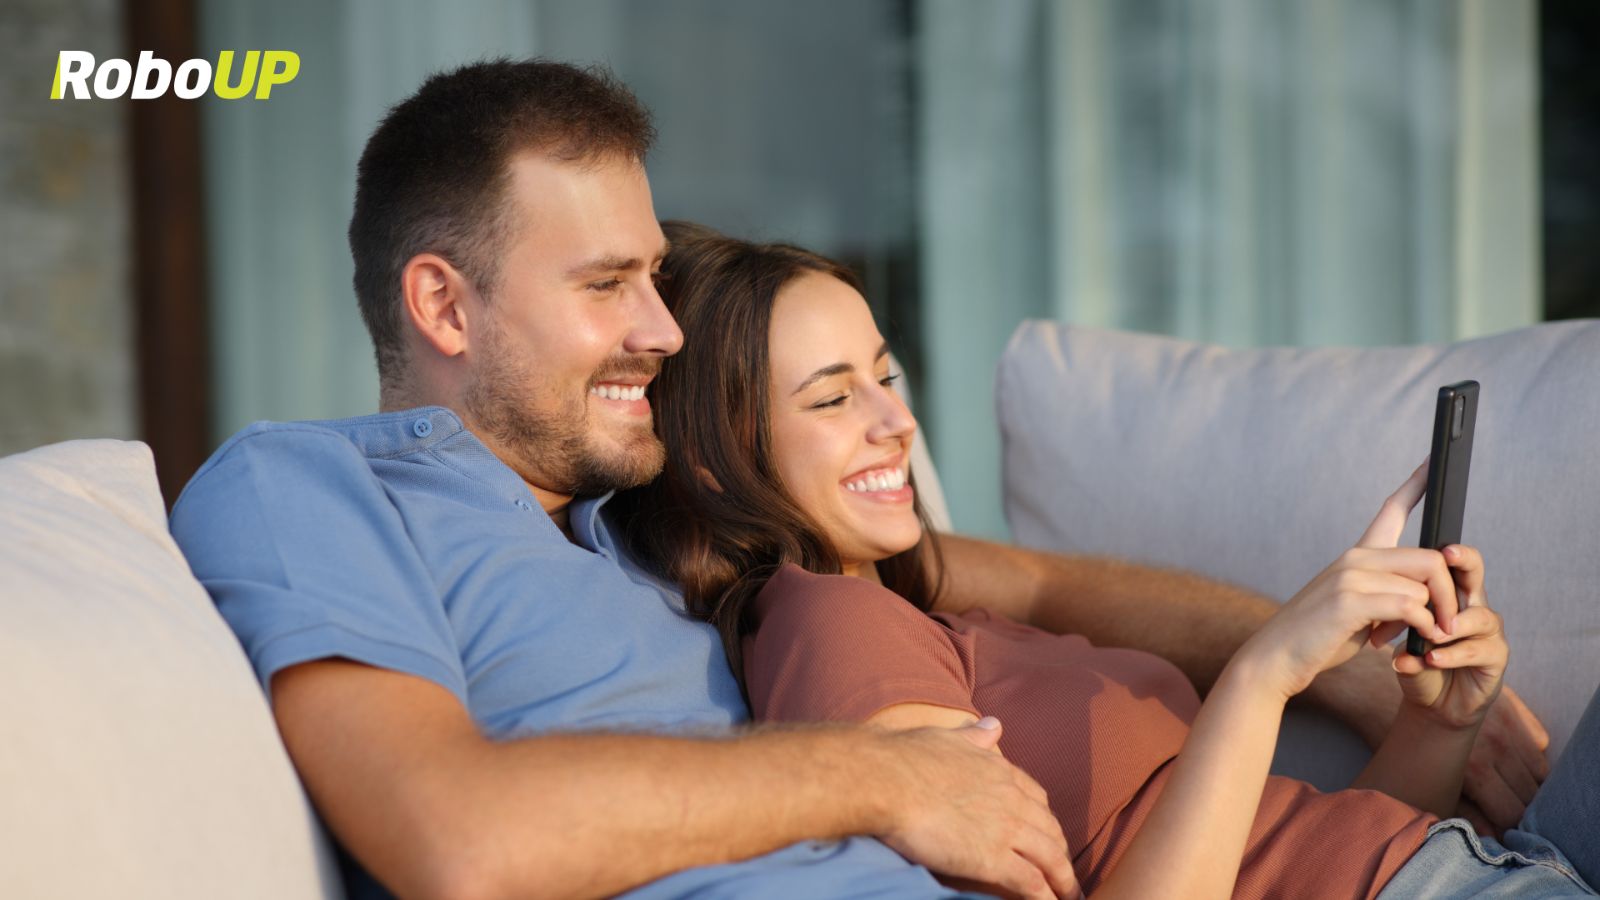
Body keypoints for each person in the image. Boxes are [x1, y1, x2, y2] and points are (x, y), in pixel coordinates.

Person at [166, 59, 1550, 900]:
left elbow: (1041, 579)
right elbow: (451, 839)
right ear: (443, 307)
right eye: (607, 287)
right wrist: (872, 778)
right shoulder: (312, 489)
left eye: (657, 278)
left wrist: (1370, 677)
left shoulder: (665, 522)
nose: (660, 329)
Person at [616, 221, 1600, 899]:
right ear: (713, 457)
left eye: (885, 376)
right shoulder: (821, 616)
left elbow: (1306, 859)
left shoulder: (925, 616)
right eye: (833, 401)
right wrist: (1266, 672)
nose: (897, 424)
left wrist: (1436, 729)